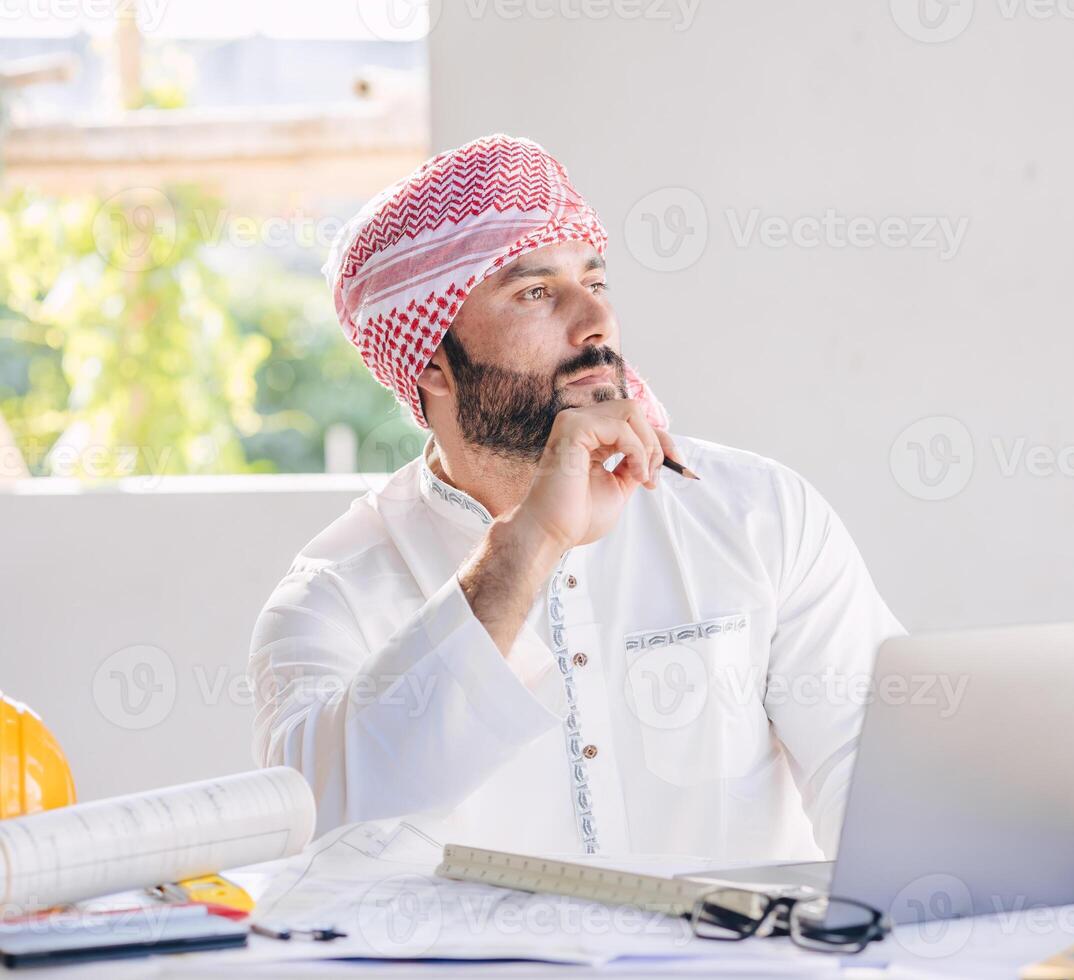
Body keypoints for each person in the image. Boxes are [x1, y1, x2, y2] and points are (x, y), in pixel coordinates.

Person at [249, 134, 903, 860]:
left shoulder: (761, 516)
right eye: (535, 292)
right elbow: (324, 831)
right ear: (432, 362)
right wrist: (527, 544)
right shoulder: (332, 599)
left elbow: (884, 791)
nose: (596, 325)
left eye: (595, 282)